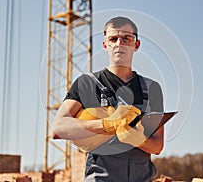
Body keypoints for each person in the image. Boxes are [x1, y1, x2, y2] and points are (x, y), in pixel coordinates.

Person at [52, 16, 164, 182]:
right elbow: (58, 128)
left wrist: (136, 139)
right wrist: (106, 124)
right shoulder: (87, 83)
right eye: (113, 39)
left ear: (136, 45)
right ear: (105, 45)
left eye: (127, 38)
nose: (119, 44)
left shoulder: (151, 88)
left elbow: (157, 146)